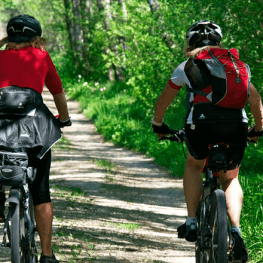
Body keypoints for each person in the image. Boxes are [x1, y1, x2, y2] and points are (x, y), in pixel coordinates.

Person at [151, 20, 263, 262]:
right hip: (236, 127)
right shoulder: (238, 65)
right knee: (230, 177)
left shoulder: (187, 66)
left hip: (200, 125)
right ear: (219, 43)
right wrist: (258, 129)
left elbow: (164, 101)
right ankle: (236, 230)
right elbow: (254, 99)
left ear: (190, 44)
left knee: (194, 164)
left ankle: (192, 220)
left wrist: (158, 124)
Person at [0, 15, 71, 263]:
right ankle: (47, 255)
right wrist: (63, 119)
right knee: (41, 192)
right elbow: (58, 92)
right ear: (35, 38)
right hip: (35, 131)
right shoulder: (41, 56)